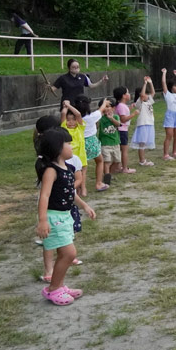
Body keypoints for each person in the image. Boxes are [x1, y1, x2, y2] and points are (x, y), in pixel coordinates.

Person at [35, 128, 96, 306]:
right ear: (57, 149)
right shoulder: (51, 171)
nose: (71, 146)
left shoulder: (68, 168)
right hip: (54, 218)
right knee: (69, 254)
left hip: (65, 216)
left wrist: (84, 205)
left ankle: (59, 286)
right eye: (68, 143)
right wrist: (43, 220)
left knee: (65, 255)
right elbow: (44, 196)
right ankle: (53, 289)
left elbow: (70, 193)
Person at [77, 94, 110, 191]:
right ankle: (99, 183)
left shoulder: (75, 118)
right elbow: (101, 109)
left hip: (81, 143)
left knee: (82, 166)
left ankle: (80, 188)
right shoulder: (92, 116)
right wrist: (104, 102)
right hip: (92, 141)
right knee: (99, 161)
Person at [59, 100, 87, 197]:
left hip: (81, 155)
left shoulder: (80, 127)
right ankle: (74, 190)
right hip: (70, 157)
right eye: (68, 119)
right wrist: (65, 106)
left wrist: (69, 105)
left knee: (83, 172)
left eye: (73, 119)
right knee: (73, 174)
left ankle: (83, 188)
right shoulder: (64, 129)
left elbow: (78, 114)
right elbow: (63, 113)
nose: (71, 122)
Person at [131, 76, 156, 166]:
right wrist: (145, 84)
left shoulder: (148, 101)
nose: (147, 95)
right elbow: (142, 95)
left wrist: (150, 82)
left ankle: (143, 159)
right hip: (143, 124)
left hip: (149, 124)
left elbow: (153, 92)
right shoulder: (139, 102)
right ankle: (142, 160)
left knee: (144, 143)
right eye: (146, 94)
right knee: (142, 143)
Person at [161, 69, 176, 160]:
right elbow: (163, 82)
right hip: (170, 116)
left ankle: (175, 152)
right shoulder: (167, 94)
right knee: (169, 135)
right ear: (171, 87)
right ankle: (166, 154)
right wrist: (164, 73)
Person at [111, 86, 137, 174]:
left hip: (120, 130)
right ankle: (125, 168)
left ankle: (119, 167)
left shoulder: (121, 106)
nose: (129, 94)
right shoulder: (122, 106)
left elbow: (122, 114)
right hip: (122, 130)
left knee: (120, 150)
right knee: (124, 150)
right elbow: (123, 119)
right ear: (124, 96)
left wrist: (130, 108)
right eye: (128, 93)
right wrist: (134, 114)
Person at [97, 101, 121, 184]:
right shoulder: (101, 118)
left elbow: (118, 125)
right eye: (105, 106)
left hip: (115, 142)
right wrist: (99, 116)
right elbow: (96, 126)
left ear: (113, 108)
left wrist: (111, 118)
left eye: (108, 106)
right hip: (105, 143)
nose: (106, 108)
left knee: (117, 161)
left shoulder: (116, 116)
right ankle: (107, 178)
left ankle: (108, 174)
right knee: (107, 161)